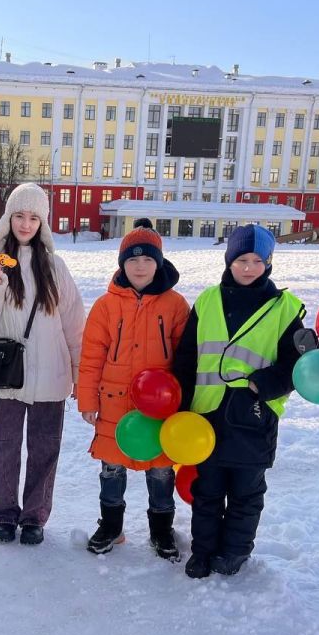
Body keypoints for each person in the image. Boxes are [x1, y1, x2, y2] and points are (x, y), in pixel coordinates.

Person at [171, 224, 305, 579]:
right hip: (207, 416)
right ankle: (202, 551)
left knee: (246, 494)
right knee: (207, 490)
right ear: (229, 260)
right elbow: (186, 358)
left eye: (257, 260)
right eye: (242, 259)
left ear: (269, 263)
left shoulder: (284, 307)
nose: (249, 267)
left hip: (254, 416)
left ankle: (234, 552)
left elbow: (299, 366)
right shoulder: (208, 299)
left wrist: (266, 385)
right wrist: (180, 406)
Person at [0, 183, 85, 545]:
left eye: (34, 217)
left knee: (46, 447)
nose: (26, 224)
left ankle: (34, 517)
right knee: (6, 447)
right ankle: (3, 515)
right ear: (8, 218)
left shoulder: (55, 266)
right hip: (6, 374)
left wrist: (79, 372)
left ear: (43, 222)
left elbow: (75, 325)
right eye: (20, 216)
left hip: (52, 373)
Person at [78, 228, 190, 558]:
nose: (139, 266)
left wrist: (184, 402)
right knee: (111, 468)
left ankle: (161, 530)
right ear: (122, 264)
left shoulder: (175, 305)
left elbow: (186, 358)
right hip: (114, 403)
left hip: (159, 407)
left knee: (161, 470)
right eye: (132, 260)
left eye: (146, 259)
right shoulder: (105, 306)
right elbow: (91, 356)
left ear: (158, 263)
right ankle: (112, 526)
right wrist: (87, 399)